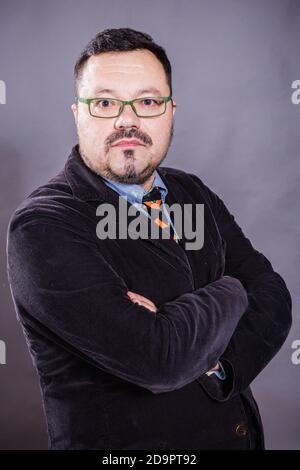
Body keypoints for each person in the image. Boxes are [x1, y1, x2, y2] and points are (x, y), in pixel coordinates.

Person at [7, 27, 292, 450]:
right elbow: (159, 359)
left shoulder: (191, 193)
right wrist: (233, 289)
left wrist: (215, 363)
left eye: (147, 101)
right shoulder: (43, 226)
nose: (128, 120)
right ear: (78, 113)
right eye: (105, 102)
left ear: (170, 111)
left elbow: (274, 297)